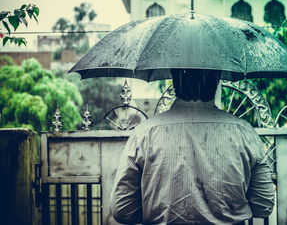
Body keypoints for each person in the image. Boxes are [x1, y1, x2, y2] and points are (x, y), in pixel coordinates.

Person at [110, 69, 275, 224]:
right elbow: (264, 205)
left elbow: (122, 210)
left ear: (175, 81)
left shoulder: (145, 134)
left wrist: (155, 212)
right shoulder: (244, 132)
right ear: (216, 80)